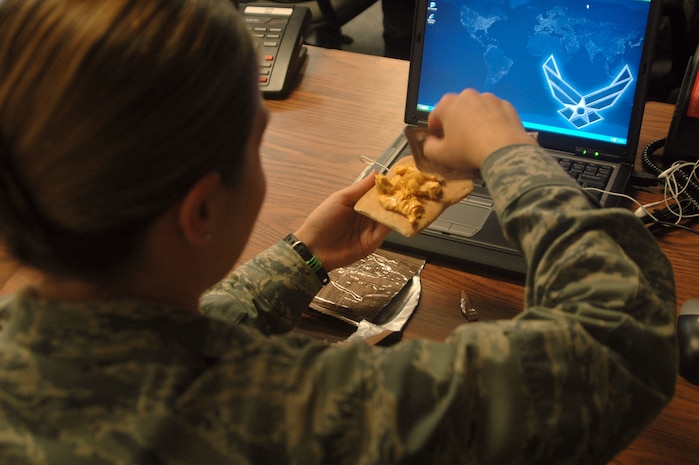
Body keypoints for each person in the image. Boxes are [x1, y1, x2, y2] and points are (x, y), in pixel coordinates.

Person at [0, 0, 677, 464]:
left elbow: (159, 345)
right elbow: (619, 350)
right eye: (256, 142)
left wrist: (299, 258)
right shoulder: (288, 414)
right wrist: (509, 152)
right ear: (201, 211)